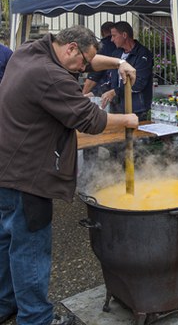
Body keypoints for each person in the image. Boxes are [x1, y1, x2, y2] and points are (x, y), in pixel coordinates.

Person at [0, 25, 139, 325]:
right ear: (71, 47)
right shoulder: (50, 77)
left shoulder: (29, 51)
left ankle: (5, 304)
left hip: (5, 167)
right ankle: (36, 319)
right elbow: (89, 118)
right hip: (28, 174)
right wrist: (127, 120)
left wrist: (118, 62)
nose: (84, 69)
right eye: (82, 62)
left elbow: (89, 58)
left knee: (6, 239)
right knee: (30, 247)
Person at [101, 21, 153, 121]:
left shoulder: (143, 54)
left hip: (137, 108)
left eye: (114, 36)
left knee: (136, 136)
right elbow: (109, 78)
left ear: (124, 35)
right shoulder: (116, 53)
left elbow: (138, 83)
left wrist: (114, 92)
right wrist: (94, 93)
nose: (111, 40)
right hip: (117, 107)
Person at [82, 21, 117, 96]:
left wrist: (83, 94)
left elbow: (95, 74)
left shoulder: (101, 47)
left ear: (102, 32)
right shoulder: (118, 46)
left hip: (102, 89)